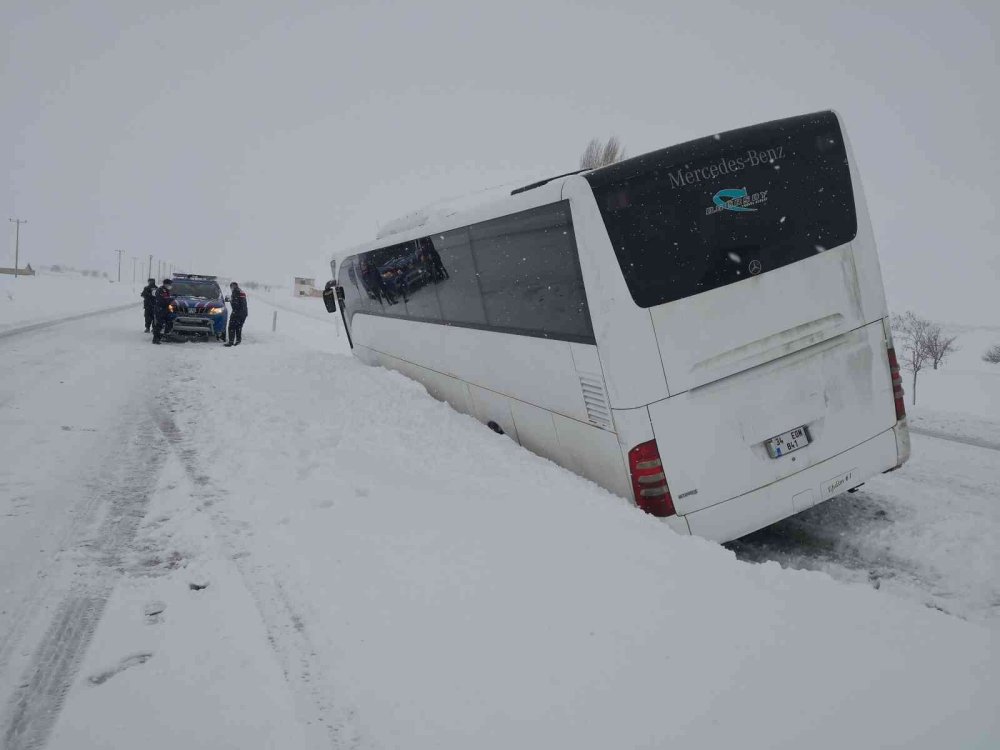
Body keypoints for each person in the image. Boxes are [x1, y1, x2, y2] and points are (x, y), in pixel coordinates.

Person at [224, 281, 248, 347]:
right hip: (244, 313)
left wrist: (230, 300)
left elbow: (235, 305)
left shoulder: (235, 292)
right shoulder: (241, 291)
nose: (231, 289)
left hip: (237, 313)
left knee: (231, 327)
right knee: (238, 327)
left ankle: (231, 342)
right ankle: (238, 341)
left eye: (231, 287)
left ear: (232, 287)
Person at [151, 278, 174, 345]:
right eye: (169, 284)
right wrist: (170, 300)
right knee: (159, 325)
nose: (170, 286)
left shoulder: (167, 290)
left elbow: (168, 301)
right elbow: (162, 300)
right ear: (165, 284)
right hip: (160, 310)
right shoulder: (160, 290)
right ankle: (155, 339)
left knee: (168, 323)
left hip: (166, 309)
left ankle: (164, 337)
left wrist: (171, 307)